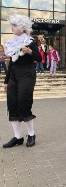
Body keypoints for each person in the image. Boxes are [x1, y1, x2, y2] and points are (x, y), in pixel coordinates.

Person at [3, 14, 41, 148]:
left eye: (14, 26)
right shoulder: (12, 43)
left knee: (23, 102)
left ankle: (31, 134)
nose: (12, 28)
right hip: (14, 75)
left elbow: (39, 58)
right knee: (12, 103)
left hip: (27, 74)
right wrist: (6, 81)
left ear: (22, 27)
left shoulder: (30, 41)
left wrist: (30, 51)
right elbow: (11, 64)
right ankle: (17, 137)